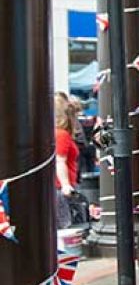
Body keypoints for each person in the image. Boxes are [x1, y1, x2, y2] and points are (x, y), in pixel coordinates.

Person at [55, 93, 80, 229]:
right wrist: (65, 185)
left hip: (59, 189)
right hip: (61, 190)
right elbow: (60, 161)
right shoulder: (61, 135)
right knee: (65, 227)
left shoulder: (57, 134)